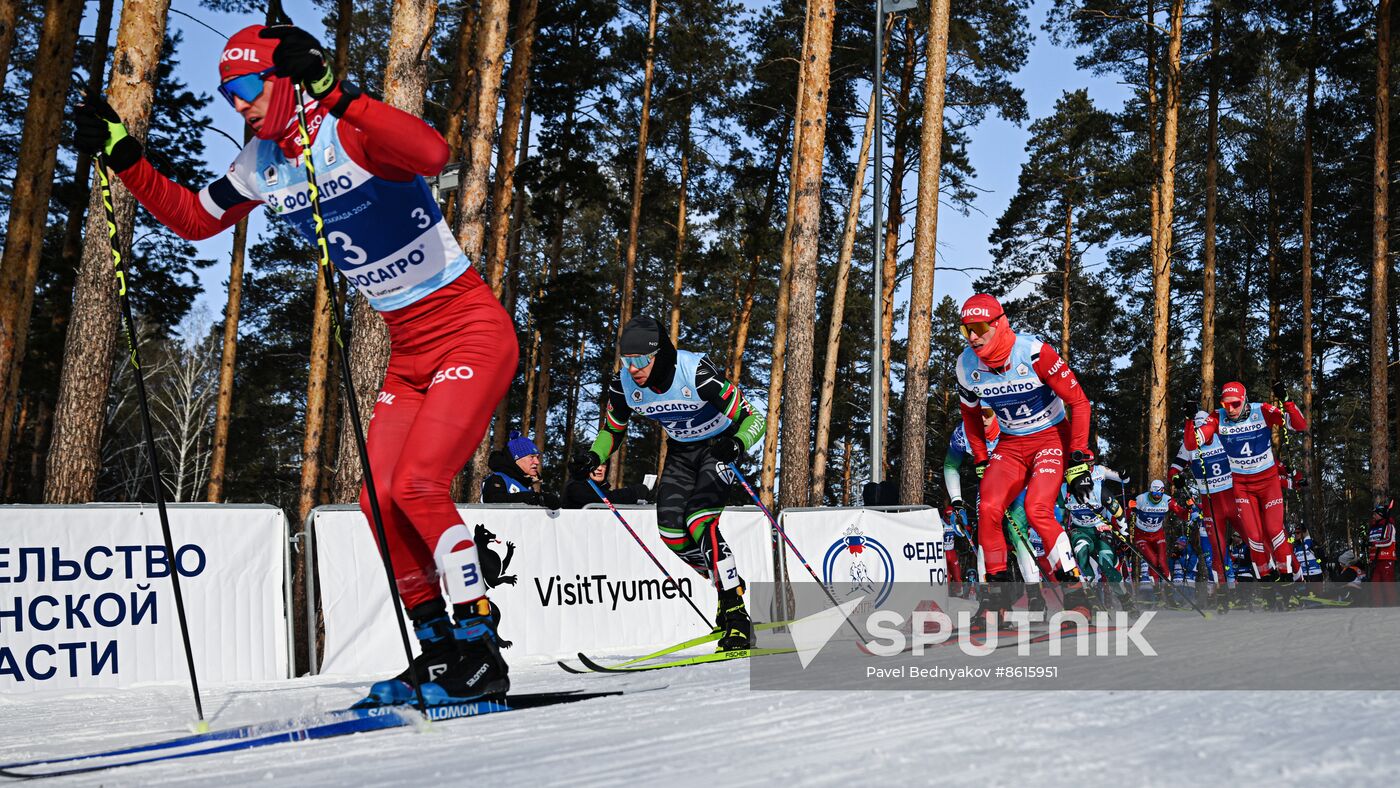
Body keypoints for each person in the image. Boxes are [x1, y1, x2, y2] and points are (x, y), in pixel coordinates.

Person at [73, 25, 516, 703]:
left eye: (247, 87)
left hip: (469, 332)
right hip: (409, 351)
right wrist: (127, 158)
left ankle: (481, 644)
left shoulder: (350, 130)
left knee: (420, 485)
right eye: (226, 94)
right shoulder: (259, 162)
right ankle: (437, 647)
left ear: (282, 80)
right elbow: (195, 219)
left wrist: (336, 90)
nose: (238, 104)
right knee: (377, 499)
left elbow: (432, 153)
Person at [571, 317, 765, 650]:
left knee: (700, 521)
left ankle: (736, 615)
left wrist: (736, 444)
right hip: (681, 452)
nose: (633, 368)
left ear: (660, 355)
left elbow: (754, 418)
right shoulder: (624, 385)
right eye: (626, 360)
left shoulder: (696, 374)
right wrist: (595, 456)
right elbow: (612, 430)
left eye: (641, 360)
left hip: (717, 448)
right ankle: (727, 582)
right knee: (672, 534)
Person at [954, 294, 1097, 623]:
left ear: (999, 323)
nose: (972, 337)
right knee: (988, 506)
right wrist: (979, 457)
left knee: (1037, 509)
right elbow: (971, 416)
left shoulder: (1034, 352)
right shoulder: (966, 365)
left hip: (1050, 438)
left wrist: (1079, 457)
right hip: (1011, 444)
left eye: (978, 328)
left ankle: (1077, 595)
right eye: (966, 330)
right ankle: (996, 599)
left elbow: (1080, 402)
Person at [1186, 382, 1308, 581]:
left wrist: (1287, 401)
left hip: (1268, 483)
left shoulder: (1262, 410)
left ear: (1244, 400)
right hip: (1242, 487)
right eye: (1226, 405)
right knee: (1254, 538)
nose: (1230, 409)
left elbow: (1299, 425)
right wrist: (1189, 420)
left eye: (1234, 404)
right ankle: (1267, 583)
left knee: (1275, 530)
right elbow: (1192, 444)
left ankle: (1290, 580)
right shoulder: (1218, 417)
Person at [1169, 410, 1242, 583]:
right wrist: (1176, 479)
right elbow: (1173, 470)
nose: (1200, 432)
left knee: (1250, 542)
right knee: (1213, 553)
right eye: (1196, 428)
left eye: (1203, 427)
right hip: (1210, 502)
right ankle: (1222, 592)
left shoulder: (1222, 435)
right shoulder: (1188, 446)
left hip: (1232, 497)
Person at [1059, 467, 1136, 612]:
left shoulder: (1099, 490)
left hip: (1100, 529)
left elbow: (1119, 514)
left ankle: (1125, 599)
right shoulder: (1064, 491)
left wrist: (1125, 537)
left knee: (1106, 563)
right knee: (1081, 553)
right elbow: (1056, 514)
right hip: (1079, 530)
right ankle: (1089, 597)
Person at [481, 431, 560, 507]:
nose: (537, 462)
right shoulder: (497, 479)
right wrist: (533, 498)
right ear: (516, 460)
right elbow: (493, 501)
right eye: (532, 457)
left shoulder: (526, 482)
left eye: (537, 457)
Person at [1131, 480, 1188, 584]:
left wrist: (1188, 508)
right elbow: (1126, 512)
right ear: (1150, 491)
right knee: (1153, 560)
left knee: (1162, 560)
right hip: (1141, 535)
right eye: (1154, 493)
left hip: (1157, 534)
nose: (1157, 496)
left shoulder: (1167, 501)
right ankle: (1156, 588)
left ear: (1163, 491)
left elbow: (1183, 515)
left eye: (1159, 493)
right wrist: (1131, 508)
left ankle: (1169, 589)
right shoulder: (1141, 499)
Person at [563, 463, 653, 509]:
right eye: (594, 465)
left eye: (603, 464)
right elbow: (606, 498)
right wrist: (633, 493)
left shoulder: (600, 487)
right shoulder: (575, 487)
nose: (600, 468)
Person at [1368, 504, 1396, 605]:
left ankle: (1392, 606)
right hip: (1375, 561)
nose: (1373, 516)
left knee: (1387, 585)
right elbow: (1372, 543)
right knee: (1375, 585)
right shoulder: (1373, 527)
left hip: (1386, 558)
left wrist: (1374, 544)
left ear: (1381, 515)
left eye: (1375, 514)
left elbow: (1388, 541)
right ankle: (1378, 607)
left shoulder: (1389, 526)